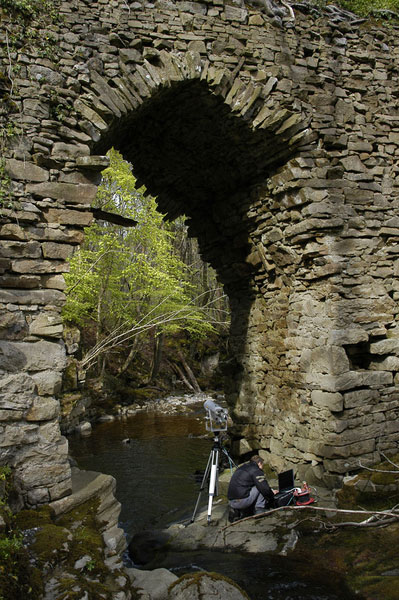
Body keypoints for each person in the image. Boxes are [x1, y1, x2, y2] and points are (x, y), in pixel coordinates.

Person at [227, 455, 275, 521]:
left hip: (231, 501)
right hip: (241, 501)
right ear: (260, 463)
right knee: (260, 486)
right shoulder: (256, 470)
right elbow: (264, 488)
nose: (262, 467)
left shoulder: (242, 467)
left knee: (248, 486)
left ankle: (236, 510)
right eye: (262, 465)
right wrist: (272, 495)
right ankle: (259, 509)